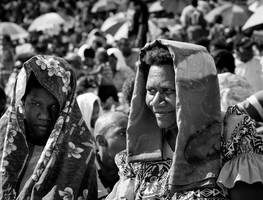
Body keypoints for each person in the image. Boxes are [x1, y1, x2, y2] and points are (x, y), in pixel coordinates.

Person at [106, 39, 263, 200]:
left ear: (195, 90)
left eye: (167, 90)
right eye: (151, 91)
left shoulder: (232, 133)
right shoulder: (143, 146)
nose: (155, 101)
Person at [0, 55, 97, 199]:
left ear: (65, 106)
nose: (45, 115)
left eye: (54, 105)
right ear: (22, 102)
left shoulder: (80, 151)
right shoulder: (1, 139)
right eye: (36, 104)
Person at [94, 111, 128, 199]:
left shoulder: (133, 168)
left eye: (131, 133)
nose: (130, 139)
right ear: (101, 141)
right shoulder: (87, 169)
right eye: (123, 134)